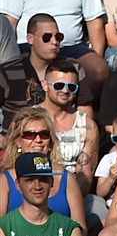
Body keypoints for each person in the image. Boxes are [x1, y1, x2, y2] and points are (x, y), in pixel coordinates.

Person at [0, 0, 109, 98]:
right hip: (29, 46)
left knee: (99, 71)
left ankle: (75, 105)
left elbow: (94, 21)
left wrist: (97, 54)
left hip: (72, 46)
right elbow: (9, 21)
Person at [0, 108, 87, 235]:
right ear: (18, 141)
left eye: (44, 134)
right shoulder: (4, 181)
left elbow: (81, 230)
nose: (38, 140)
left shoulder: (66, 179)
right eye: (30, 135)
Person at [7, 14, 95, 118]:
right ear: (30, 39)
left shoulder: (73, 67)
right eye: (47, 37)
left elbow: (85, 112)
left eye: (58, 37)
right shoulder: (9, 71)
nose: (54, 42)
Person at [39, 60, 99, 199]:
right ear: (45, 85)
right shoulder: (27, 120)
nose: (65, 91)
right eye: (59, 85)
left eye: (71, 87)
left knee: (98, 208)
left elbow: (85, 175)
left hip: (72, 194)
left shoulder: (87, 125)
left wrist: (65, 200)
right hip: (32, 191)